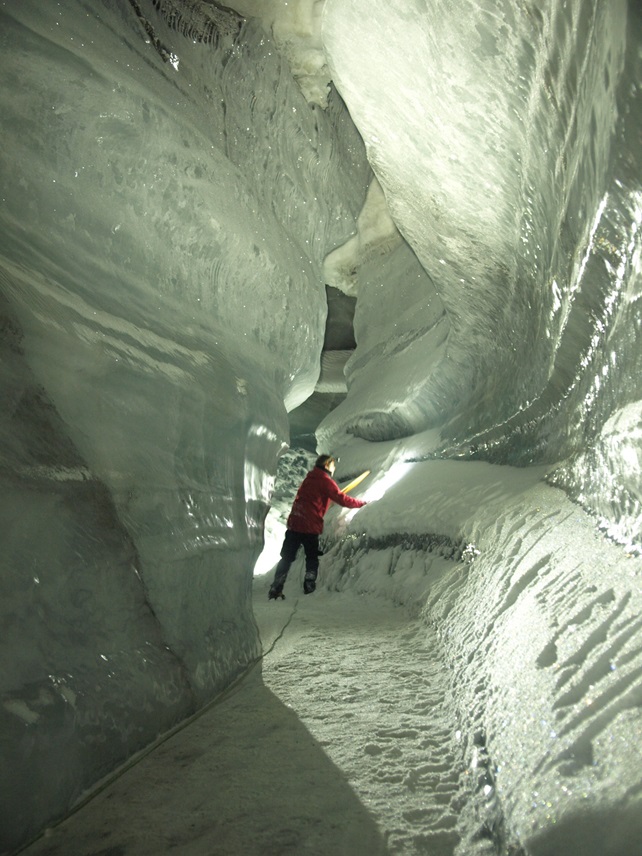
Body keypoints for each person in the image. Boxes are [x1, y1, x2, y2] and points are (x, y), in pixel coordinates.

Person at [268, 454, 367, 599]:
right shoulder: (325, 480)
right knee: (311, 557)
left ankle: (276, 587)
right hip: (310, 526)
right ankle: (309, 585)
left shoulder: (309, 478)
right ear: (327, 465)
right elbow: (341, 499)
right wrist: (361, 504)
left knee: (287, 557)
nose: (334, 468)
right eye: (333, 465)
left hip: (295, 523)